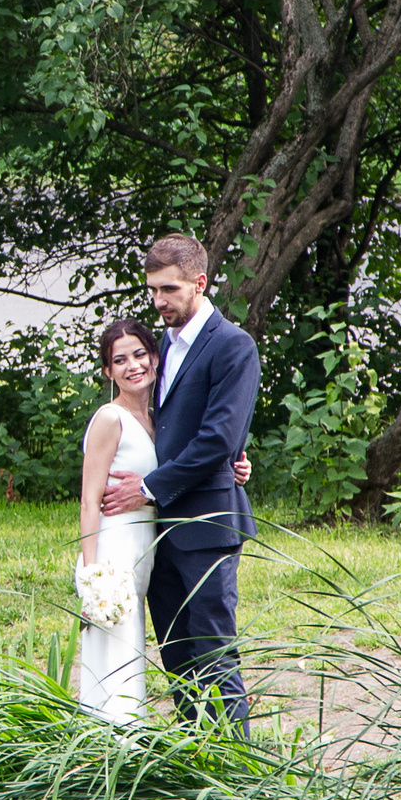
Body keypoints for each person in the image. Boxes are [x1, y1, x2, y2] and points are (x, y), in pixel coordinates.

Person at [102, 232, 257, 729]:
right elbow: (164, 427)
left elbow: (217, 438)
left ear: (199, 282)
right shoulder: (159, 347)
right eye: (152, 290)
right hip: (156, 533)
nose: (158, 301)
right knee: (178, 662)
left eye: (169, 290)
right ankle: (193, 762)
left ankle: (240, 770)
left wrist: (147, 488)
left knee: (215, 652)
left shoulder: (233, 346)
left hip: (207, 527)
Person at [73, 318, 162, 725]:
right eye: (119, 360)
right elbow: (90, 499)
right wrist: (91, 575)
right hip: (113, 550)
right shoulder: (111, 419)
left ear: (155, 357)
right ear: (108, 372)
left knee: (132, 645)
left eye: (140, 354)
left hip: (144, 545)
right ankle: (114, 739)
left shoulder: (157, 418)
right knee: (116, 648)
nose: (133, 366)